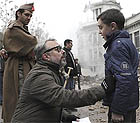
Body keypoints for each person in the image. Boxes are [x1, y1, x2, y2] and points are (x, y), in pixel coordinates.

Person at [11, 39, 115, 123]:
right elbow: (65, 98)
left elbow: (47, 105)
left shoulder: (51, 72)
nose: (63, 51)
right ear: (46, 56)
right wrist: (102, 89)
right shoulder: (39, 76)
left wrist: (65, 117)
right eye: (58, 49)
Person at [97, 9, 139, 123]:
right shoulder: (126, 42)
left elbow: (125, 79)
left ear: (113, 26)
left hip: (122, 107)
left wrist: (118, 110)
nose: (99, 32)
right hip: (128, 103)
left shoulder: (117, 46)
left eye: (101, 27)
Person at [2, 3, 37, 122]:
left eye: (30, 16)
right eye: (27, 15)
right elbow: (31, 42)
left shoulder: (22, 29)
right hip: (18, 67)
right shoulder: (14, 28)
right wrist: (32, 43)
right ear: (18, 13)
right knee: (19, 97)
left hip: (23, 66)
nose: (29, 18)